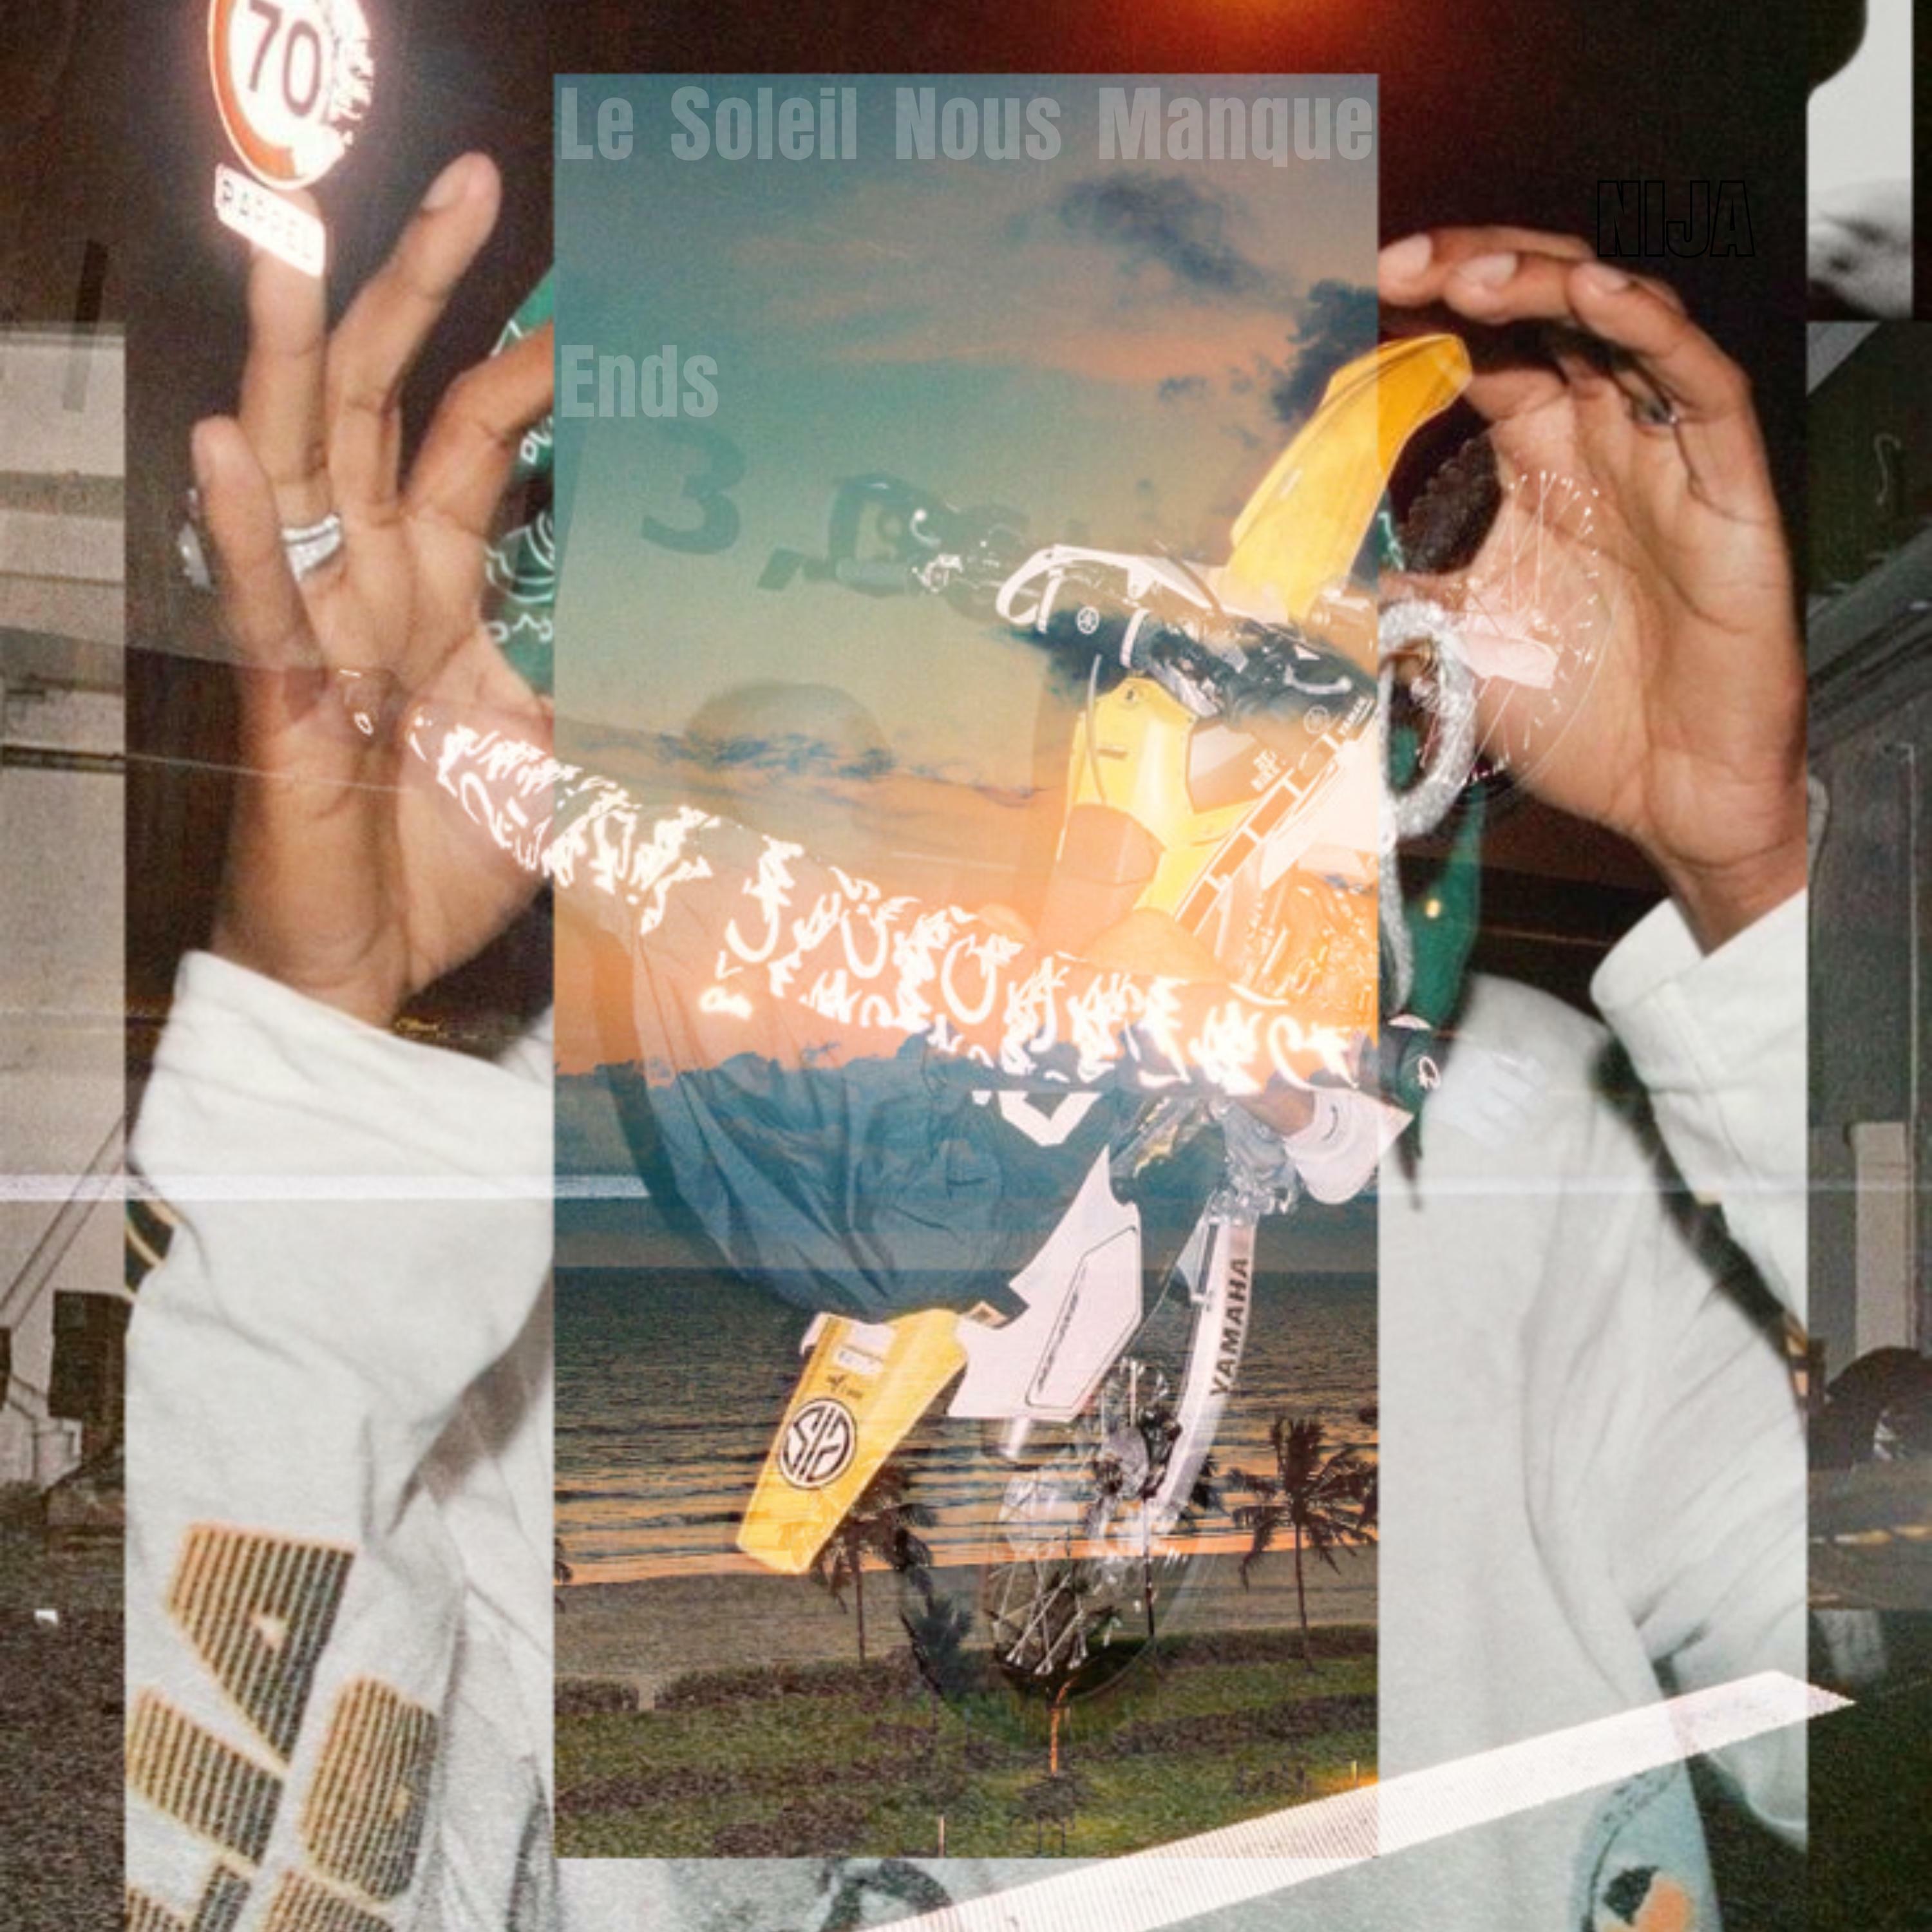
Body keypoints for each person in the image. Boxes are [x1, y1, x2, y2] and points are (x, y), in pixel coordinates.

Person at [125, 166, 1807, 1932]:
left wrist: (1758, 900)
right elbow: (262, 1867)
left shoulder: (1522, 1156)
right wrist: (315, 1059)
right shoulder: (511, 1262)